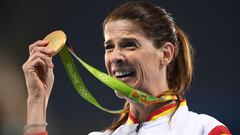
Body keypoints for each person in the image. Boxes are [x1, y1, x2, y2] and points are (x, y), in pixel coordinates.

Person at [22, 1, 231, 135]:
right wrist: (37, 100)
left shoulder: (205, 130)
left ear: (166, 54)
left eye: (129, 44)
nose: (115, 57)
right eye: (109, 47)